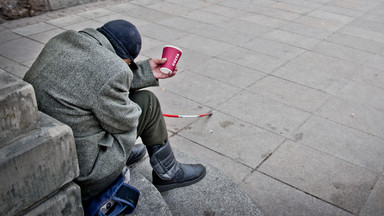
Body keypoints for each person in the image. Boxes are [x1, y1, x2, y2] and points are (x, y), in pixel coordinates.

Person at [23, 19, 206, 204]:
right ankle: (168, 172)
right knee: (147, 103)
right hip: (85, 171)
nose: (126, 68)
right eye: (128, 64)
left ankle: (124, 155)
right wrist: (123, 100)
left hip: (45, 149)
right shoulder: (113, 70)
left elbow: (94, 77)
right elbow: (124, 122)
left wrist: (145, 71)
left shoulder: (63, 40)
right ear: (122, 61)